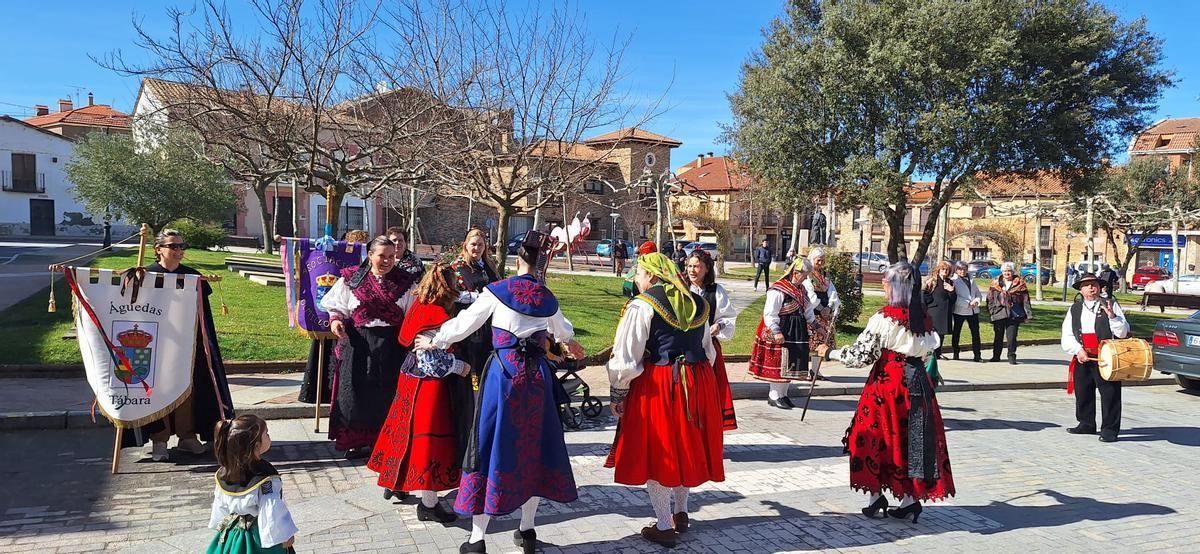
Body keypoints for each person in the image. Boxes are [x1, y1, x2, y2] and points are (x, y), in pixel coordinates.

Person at [415, 231, 584, 554]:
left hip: (503, 377)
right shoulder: (546, 297)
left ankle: (478, 540)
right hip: (536, 379)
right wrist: (568, 340)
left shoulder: (497, 290)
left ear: (517, 258)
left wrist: (434, 340)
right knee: (533, 447)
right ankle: (528, 530)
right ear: (542, 262)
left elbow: (465, 324)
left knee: (490, 447)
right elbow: (562, 331)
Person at [815, 261, 955, 524]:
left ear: (898, 287)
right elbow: (927, 351)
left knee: (874, 437)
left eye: (888, 281)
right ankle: (909, 501)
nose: (883, 284)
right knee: (910, 440)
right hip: (918, 385)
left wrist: (829, 352)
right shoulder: (923, 318)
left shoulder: (885, 318)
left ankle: (876, 496)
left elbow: (860, 356)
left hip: (888, 386)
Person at [606, 252, 723, 548]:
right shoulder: (698, 302)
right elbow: (708, 352)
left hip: (661, 383)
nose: (636, 280)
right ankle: (681, 512)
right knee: (685, 445)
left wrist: (618, 391)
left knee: (659, 451)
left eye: (639, 275)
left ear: (652, 276)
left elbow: (626, 356)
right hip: (697, 381)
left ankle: (662, 524)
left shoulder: (643, 305)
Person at [368, 262, 474, 519]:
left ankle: (394, 482)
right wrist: (461, 366)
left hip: (408, 380)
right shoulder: (435, 315)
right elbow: (432, 364)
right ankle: (428, 505)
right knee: (428, 444)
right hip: (428, 388)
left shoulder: (419, 305)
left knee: (403, 433)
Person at [135, 228, 235, 462]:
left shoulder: (192, 277)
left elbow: (202, 314)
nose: (179, 251)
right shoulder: (146, 276)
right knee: (158, 389)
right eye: (173, 246)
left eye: (182, 246)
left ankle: (187, 436)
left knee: (188, 388)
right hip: (156, 342)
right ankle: (159, 439)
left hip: (187, 343)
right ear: (158, 249)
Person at [320, 236, 420, 459]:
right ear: (370, 255)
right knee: (357, 391)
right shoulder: (352, 278)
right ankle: (357, 442)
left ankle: (385, 441)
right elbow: (336, 305)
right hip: (359, 343)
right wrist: (336, 321)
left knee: (387, 393)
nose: (386, 261)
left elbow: (413, 314)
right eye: (381, 256)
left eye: (391, 257)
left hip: (393, 345)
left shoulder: (406, 281)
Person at [207, 415, 298, 554]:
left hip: (234, 533)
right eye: (266, 434)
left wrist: (221, 526)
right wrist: (284, 535)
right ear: (256, 446)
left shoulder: (225, 472)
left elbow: (221, 506)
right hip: (258, 536)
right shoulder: (264, 477)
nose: (269, 436)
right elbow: (270, 510)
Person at [1061, 273, 1130, 443]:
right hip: (1083, 355)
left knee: (1110, 393)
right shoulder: (1075, 308)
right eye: (1087, 285)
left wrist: (1112, 316)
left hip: (1106, 357)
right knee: (1083, 391)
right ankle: (1086, 423)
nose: (1091, 288)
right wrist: (1078, 350)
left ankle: (1109, 429)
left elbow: (1123, 332)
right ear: (1081, 290)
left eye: (1094, 285)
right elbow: (1067, 334)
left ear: (1100, 287)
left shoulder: (1110, 304)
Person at [748, 258, 816, 408]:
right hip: (782, 329)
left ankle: (783, 395)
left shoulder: (801, 289)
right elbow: (770, 313)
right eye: (804, 274)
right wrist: (776, 331)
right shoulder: (779, 289)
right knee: (779, 363)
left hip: (797, 332)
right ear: (795, 273)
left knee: (790, 364)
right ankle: (774, 395)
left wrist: (816, 325)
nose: (805, 278)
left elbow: (808, 309)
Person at [684, 249, 738, 430]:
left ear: (706, 268)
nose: (692, 270)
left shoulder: (716, 291)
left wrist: (719, 326)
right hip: (684, 348)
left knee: (708, 390)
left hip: (708, 348)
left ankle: (708, 427)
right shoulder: (681, 288)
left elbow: (728, 316)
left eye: (697, 266)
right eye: (690, 266)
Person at [450, 228, 502, 381]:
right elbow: (452, 294)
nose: (477, 248)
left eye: (480, 245)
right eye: (473, 244)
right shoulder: (457, 267)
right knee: (472, 361)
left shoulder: (489, 265)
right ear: (465, 245)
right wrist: (477, 297)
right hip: (469, 321)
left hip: (490, 321)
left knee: (487, 360)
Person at [804, 248, 841, 381]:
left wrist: (830, 307)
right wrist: (821, 309)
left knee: (821, 343)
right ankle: (807, 371)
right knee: (811, 344)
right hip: (813, 315)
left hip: (825, 315)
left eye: (822, 260)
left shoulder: (825, 275)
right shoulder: (807, 275)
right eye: (818, 260)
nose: (820, 263)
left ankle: (815, 371)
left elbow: (832, 292)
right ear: (812, 260)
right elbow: (809, 295)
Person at [986, 262, 1033, 365]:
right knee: (998, 336)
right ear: (1002, 272)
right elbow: (989, 298)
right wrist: (992, 310)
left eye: (1009, 271)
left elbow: (1025, 300)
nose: (1007, 273)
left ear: (1012, 272)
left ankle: (1011, 356)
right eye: (1005, 271)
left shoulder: (1020, 283)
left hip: (1014, 314)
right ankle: (996, 356)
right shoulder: (995, 283)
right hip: (999, 313)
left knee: (1011, 337)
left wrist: (1028, 314)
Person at [950, 261, 984, 362]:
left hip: (973, 310)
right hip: (960, 310)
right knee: (956, 332)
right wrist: (966, 303)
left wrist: (977, 301)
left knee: (975, 333)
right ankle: (956, 352)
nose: (962, 271)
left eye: (964, 269)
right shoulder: (953, 280)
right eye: (960, 269)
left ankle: (977, 355)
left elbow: (977, 293)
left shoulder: (972, 279)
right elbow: (954, 296)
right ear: (956, 270)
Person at [922, 261, 957, 359]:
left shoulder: (950, 282)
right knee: (934, 332)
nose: (944, 271)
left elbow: (953, 299)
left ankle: (938, 352)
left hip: (945, 311)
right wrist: (930, 303)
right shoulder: (933, 280)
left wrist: (951, 291)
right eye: (943, 269)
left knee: (941, 333)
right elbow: (924, 294)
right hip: (934, 310)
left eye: (946, 270)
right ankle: (930, 352)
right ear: (938, 270)